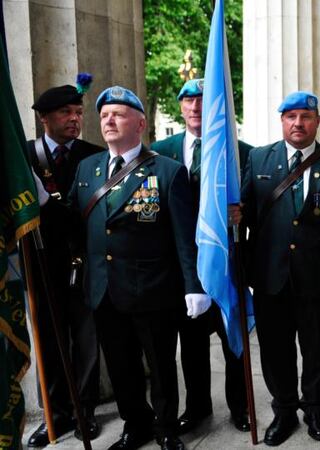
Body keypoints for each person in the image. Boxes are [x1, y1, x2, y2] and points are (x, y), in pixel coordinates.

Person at [64, 86, 210, 450]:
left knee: (160, 367)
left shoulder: (167, 170)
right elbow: (72, 223)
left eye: (118, 114)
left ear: (140, 123)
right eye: (104, 115)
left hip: (152, 288)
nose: (108, 120)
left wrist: (193, 285)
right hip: (103, 288)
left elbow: (183, 237)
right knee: (121, 364)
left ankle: (164, 428)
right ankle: (136, 424)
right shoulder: (88, 168)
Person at [241, 91, 320, 446]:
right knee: (275, 349)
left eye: (305, 117)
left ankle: (313, 409)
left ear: (317, 122)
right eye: (291, 116)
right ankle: (283, 411)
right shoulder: (259, 159)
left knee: (316, 350)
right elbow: (247, 214)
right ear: (282, 121)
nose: (298, 123)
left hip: (319, 278)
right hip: (270, 278)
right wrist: (235, 216)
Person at [151, 78, 253, 434]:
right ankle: (197, 408)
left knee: (232, 343)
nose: (197, 108)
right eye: (189, 101)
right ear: (180, 107)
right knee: (191, 344)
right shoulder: (160, 150)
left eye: (204, 101)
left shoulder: (242, 151)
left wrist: (245, 211)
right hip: (182, 266)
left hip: (227, 264)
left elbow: (258, 205)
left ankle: (241, 408)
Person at [26, 78, 104, 447]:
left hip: (83, 261)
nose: (74, 119)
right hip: (40, 265)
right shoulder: (25, 157)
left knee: (87, 340)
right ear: (44, 118)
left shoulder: (95, 155)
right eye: (65, 113)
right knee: (48, 339)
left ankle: (83, 409)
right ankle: (54, 414)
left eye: (77, 112)